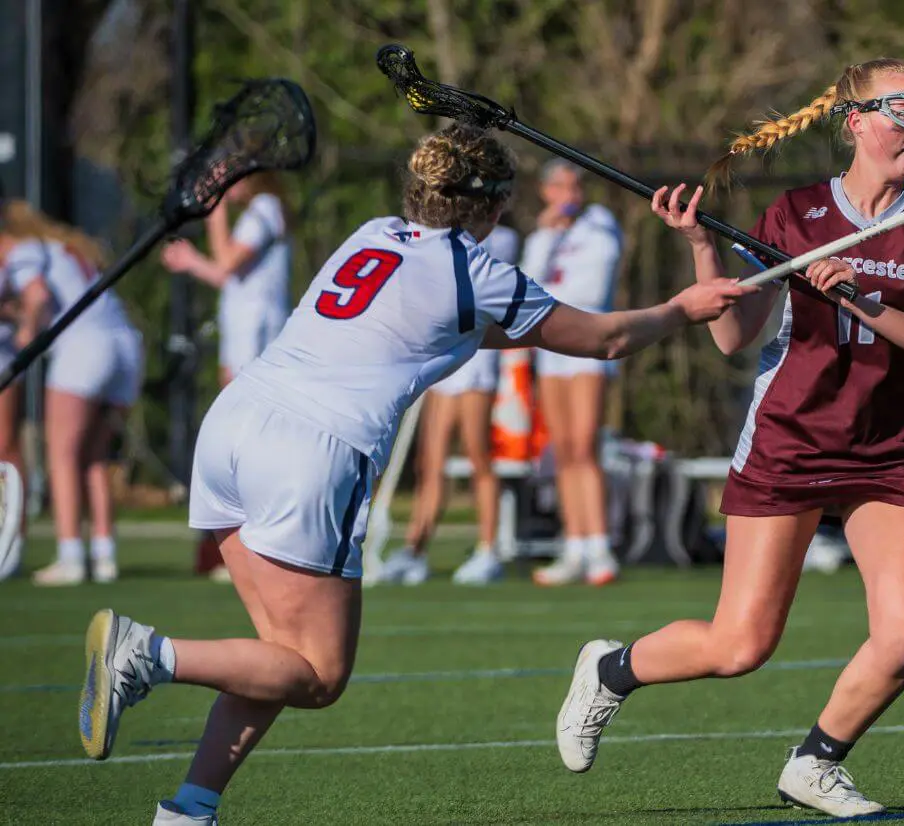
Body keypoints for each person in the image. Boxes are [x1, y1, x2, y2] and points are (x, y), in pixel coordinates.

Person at [77, 124, 750, 825]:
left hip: (233, 425)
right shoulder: (473, 268)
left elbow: (444, 325)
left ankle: (188, 810)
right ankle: (146, 654)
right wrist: (680, 311)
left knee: (272, 656)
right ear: (489, 207)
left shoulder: (373, 233)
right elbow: (604, 340)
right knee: (316, 674)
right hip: (313, 451)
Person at [553, 58, 904, 818]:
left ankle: (816, 763)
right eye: (903, 110)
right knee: (740, 647)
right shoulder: (793, 216)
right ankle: (612, 669)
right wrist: (699, 248)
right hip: (788, 441)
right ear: (855, 121)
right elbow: (735, 336)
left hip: (883, 452)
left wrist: (857, 296)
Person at [0, 200, 144, 586]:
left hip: (84, 348)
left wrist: (27, 338)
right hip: (124, 343)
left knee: (61, 453)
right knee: (94, 457)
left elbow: (39, 297)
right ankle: (104, 555)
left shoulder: (22, 250)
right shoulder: (62, 248)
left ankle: (70, 557)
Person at [160, 171, 293, 579]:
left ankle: (254, 543)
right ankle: (232, 544)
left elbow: (226, 261)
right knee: (237, 442)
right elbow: (229, 275)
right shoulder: (255, 214)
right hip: (242, 342)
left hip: (257, 342)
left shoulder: (264, 209)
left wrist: (213, 212)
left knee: (247, 442)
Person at [380, 223, 521, 586]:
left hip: (475, 355)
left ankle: (488, 550)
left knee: (477, 453)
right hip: (445, 353)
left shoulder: (502, 237)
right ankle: (415, 549)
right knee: (430, 460)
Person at [520, 159, 624, 586]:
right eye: (561, 186)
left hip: (588, 340)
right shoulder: (543, 234)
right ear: (547, 192)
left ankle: (599, 545)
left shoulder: (599, 224)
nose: (570, 194)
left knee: (584, 445)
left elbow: (594, 284)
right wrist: (546, 235)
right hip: (552, 347)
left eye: (575, 185)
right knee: (562, 449)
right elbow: (527, 284)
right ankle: (574, 544)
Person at [0, 198, 56, 581]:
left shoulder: (14, 249)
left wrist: (25, 330)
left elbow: (34, 298)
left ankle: (11, 544)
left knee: (4, 445)